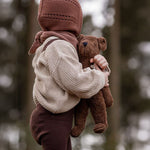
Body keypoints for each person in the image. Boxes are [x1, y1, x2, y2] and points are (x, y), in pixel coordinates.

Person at [29, 0, 110, 150]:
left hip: (56, 118)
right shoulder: (60, 46)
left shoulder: (59, 43)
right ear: (71, 18)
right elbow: (75, 82)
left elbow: (73, 74)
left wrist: (99, 69)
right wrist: (100, 77)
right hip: (52, 119)